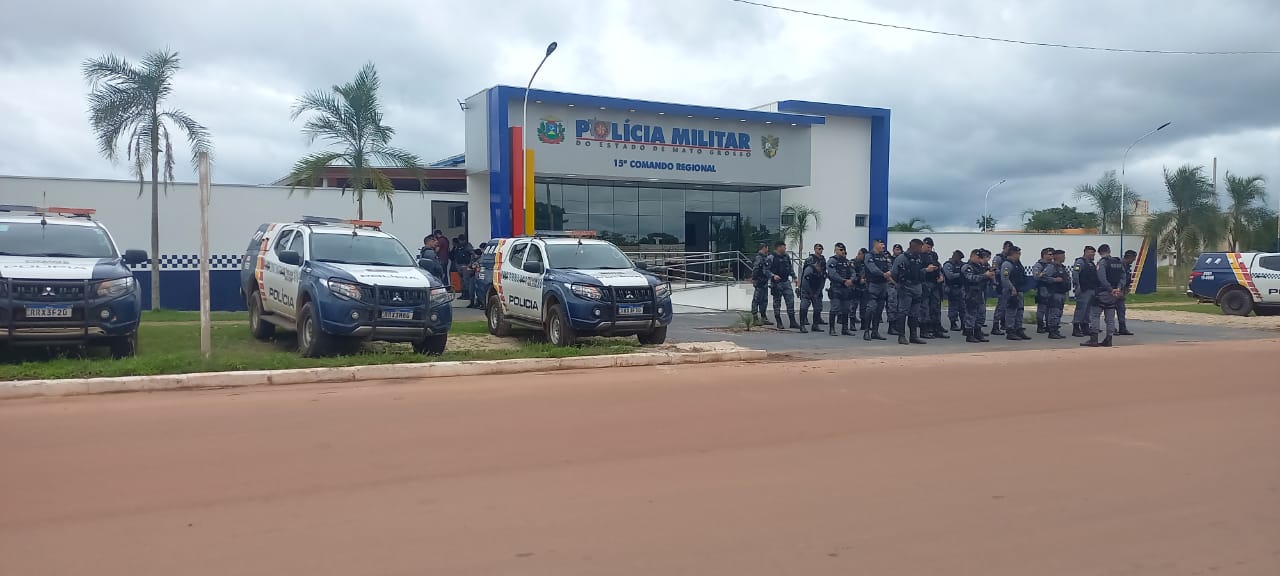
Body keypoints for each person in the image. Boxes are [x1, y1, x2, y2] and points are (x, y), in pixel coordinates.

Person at [891, 239, 935, 345]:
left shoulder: (919, 258)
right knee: (903, 312)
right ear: (913, 247)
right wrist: (898, 285)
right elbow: (894, 273)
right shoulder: (902, 258)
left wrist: (926, 270)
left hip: (917, 287)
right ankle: (901, 336)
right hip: (906, 287)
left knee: (915, 313)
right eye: (919, 247)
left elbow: (919, 271)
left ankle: (913, 336)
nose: (921, 249)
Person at [1084, 244, 1125, 347]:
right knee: (1110, 318)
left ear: (1100, 252)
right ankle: (1109, 339)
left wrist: (1110, 289)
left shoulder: (1102, 262)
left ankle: (1094, 339)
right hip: (1115, 294)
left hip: (1103, 292)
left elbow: (1101, 277)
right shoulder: (1118, 262)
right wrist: (1118, 288)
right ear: (1109, 250)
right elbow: (1123, 277)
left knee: (1095, 315)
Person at [961, 249, 994, 343]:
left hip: (979, 293)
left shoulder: (980, 267)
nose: (979, 259)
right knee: (971, 314)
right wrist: (985, 275)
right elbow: (971, 278)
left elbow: (982, 278)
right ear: (973, 256)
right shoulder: (967, 267)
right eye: (978, 257)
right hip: (970, 293)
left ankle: (978, 332)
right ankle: (969, 334)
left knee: (981, 314)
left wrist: (989, 276)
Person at [862, 239, 893, 341]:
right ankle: (866, 331)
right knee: (870, 308)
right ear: (875, 245)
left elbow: (890, 267)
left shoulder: (884, 256)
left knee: (879, 309)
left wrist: (889, 274)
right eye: (881, 244)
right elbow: (872, 268)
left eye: (883, 244)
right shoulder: (869, 256)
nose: (883, 246)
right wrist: (883, 274)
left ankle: (875, 332)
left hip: (883, 284)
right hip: (873, 284)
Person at [999, 245, 1031, 340]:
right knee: (1011, 311)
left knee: (1019, 310)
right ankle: (1010, 330)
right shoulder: (1007, 264)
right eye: (1018, 253)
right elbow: (1004, 278)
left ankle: (1018, 329)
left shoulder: (1017, 263)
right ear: (1013, 254)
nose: (1019, 255)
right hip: (1011, 291)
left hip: (1019, 290)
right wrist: (1011, 288)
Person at [765, 241, 799, 329]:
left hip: (786, 282)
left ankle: (792, 321)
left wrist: (795, 277)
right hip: (776, 283)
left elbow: (790, 268)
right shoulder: (771, 257)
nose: (785, 249)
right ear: (779, 247)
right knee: (777, 303)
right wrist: (773, 276)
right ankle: (779, 322)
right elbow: (765, 270)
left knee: (790, 301)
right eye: (784, 247)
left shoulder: (786, 256)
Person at [920, 238, 949, 339]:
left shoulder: (933, 255)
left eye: (931, 247)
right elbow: (915, 270)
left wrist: (941, 275)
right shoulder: (918, 255)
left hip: (935, 283)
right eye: (928, 247)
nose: (929, 249)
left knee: (935, 307)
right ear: (922, 245)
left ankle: (936, 328)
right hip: (925, 283)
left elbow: (938, 266)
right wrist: (926, 270)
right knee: (925, 308)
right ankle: (925, 330)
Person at [825, 243, 856, 336]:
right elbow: (832, 274)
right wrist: (843, 281)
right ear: (835, 250)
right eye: (840, 250)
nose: (842, 252)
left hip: (846, 288)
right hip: (836, 287)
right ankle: (832, 329)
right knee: (835, 308)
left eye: (843, 250)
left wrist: (851, 280)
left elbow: (853, 272)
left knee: (846, 309)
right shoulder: (832, 261)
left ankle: (845, 329)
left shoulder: (847, 262)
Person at [1040, 249, 1070, 339]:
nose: (1064, 257)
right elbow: (1043, 277)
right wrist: (1054, 280)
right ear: (1057, 256)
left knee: (1059, 313)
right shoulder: (1051, 267)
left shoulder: (1062, 267)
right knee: (1054, 313)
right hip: (1054, 293)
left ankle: (1056, 330)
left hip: (1062, 293)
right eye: (1062, 256)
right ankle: (1052, 331)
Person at [1071, 246, 1099, 337]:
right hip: (1083, 289)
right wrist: (1078, 286)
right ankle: (1076, 328)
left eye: (1093, 253)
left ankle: (1085, 327)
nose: (1093, 255)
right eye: (1091, 252)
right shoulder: (1080, 262)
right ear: (1086, 252)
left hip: (1091, 289)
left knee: (1088, 310)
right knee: (1081, 309)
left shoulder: (1091, 263)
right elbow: (1075, 274)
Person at [989, 240, 1014, 335]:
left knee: (1008, 306)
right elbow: (994, 270)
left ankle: (1004, 323)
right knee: (1001, 306)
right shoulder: (998, 258)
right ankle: (995, 326)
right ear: (1004, 247)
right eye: (1007, 247)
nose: (1008, 250)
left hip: (1009, 284)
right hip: (1000, 283)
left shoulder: (1010, 259)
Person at [797, 257, 827, 333]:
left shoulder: (823, 272)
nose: (820, 270)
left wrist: (816, 293)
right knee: (804, 306)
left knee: (818, 307)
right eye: (820, 268)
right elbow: (804, 283)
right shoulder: (809, 270)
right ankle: (802, 325)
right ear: (817, 265)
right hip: (806, 290)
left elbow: (822, 283)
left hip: (816, 290)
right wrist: (811, 293)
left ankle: (815, 325)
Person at [1030, 247, 1054, 333]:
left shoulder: (1053, 265)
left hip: (1052, 289)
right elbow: (1037, 277)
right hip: (1042, 288)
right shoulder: (1039, 265)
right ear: (1044, 255)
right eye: (1050, 254)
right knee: (1042, 308)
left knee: (1050, 309)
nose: (1052, 256)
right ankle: (1040, 326)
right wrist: (1050, 279)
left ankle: (1048, 325)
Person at [942, 249, 966, 332]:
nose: (959, 260)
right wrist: (960, 274)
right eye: (958, 257)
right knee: (953, 306)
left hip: (960, 287)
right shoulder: (948, 264)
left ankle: (964, 323)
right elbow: (949, 276)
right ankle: (953, 323)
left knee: (963, 306)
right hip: (951, 287)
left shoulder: (962, 264)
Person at [803, 244, 826, 326]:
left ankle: (817, 320)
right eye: (819, 249)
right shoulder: (810, 259)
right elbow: (805, 272)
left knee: (818, 303)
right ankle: (804, 318)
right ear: (815, 249)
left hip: (818, 283)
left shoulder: (823, 259)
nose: (821, 250)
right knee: (806, 303)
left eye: (822, 249)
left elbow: (824, 271)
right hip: (810, 283)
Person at [750, 243, 771, 326]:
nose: (767, 250)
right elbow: (755, 269)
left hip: (764, 282)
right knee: (756, 300)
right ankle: (755, 318)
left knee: (764, 300)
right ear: (764, 248)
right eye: (767, 248)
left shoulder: (765, 257)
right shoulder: (759, 258)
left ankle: (763, 317)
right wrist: (754, 279)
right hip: (759, 281)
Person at [1118, 250, 1138, 335]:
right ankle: (1112, 329)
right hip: (1116, 291)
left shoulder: (1126, 266)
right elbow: (1119, 278)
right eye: (1133, 258)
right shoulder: (1119, 265)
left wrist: (1126, 289)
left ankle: (1122, 328)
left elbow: (1127, 279)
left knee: (1121, 310)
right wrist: (1119, 289)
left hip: (1122, 290)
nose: (1134, 260)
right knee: (1110, 310)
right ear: (1130, 257)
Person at [886, 243, 904, 334]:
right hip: (892, 285)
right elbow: (888, 274)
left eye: (899, 249)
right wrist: (894, 283)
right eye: (895, 249)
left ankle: (897, 325)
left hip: (900, 286)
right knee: (892, 306)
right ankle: (891, 327)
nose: (897, 251)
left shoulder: (903, 260)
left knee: (899, 307)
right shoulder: (890, 260)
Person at [452, 234, 475, 303]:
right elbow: (455, 256)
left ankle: (467, 295)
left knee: (466, 281)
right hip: (459, 265)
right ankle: (463, 294)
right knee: (462, 281)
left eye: (462, 240)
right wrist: (457, 265)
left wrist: (469, 265)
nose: (461, 241)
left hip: (466, 265)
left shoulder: (468, 246)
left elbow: (472, 255)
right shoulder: (458, 246)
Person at [851, 248, 868, 330]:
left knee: (864, 306)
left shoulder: (867, 263)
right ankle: (852, 324)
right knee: (853, 306)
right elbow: (851, 274)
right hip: (855, 287)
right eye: (859, 253)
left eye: (861, 254)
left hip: (864, 287)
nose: (859, 255)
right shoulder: (853, 262)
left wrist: (865, 280)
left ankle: (864, 324)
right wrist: (858, 280)